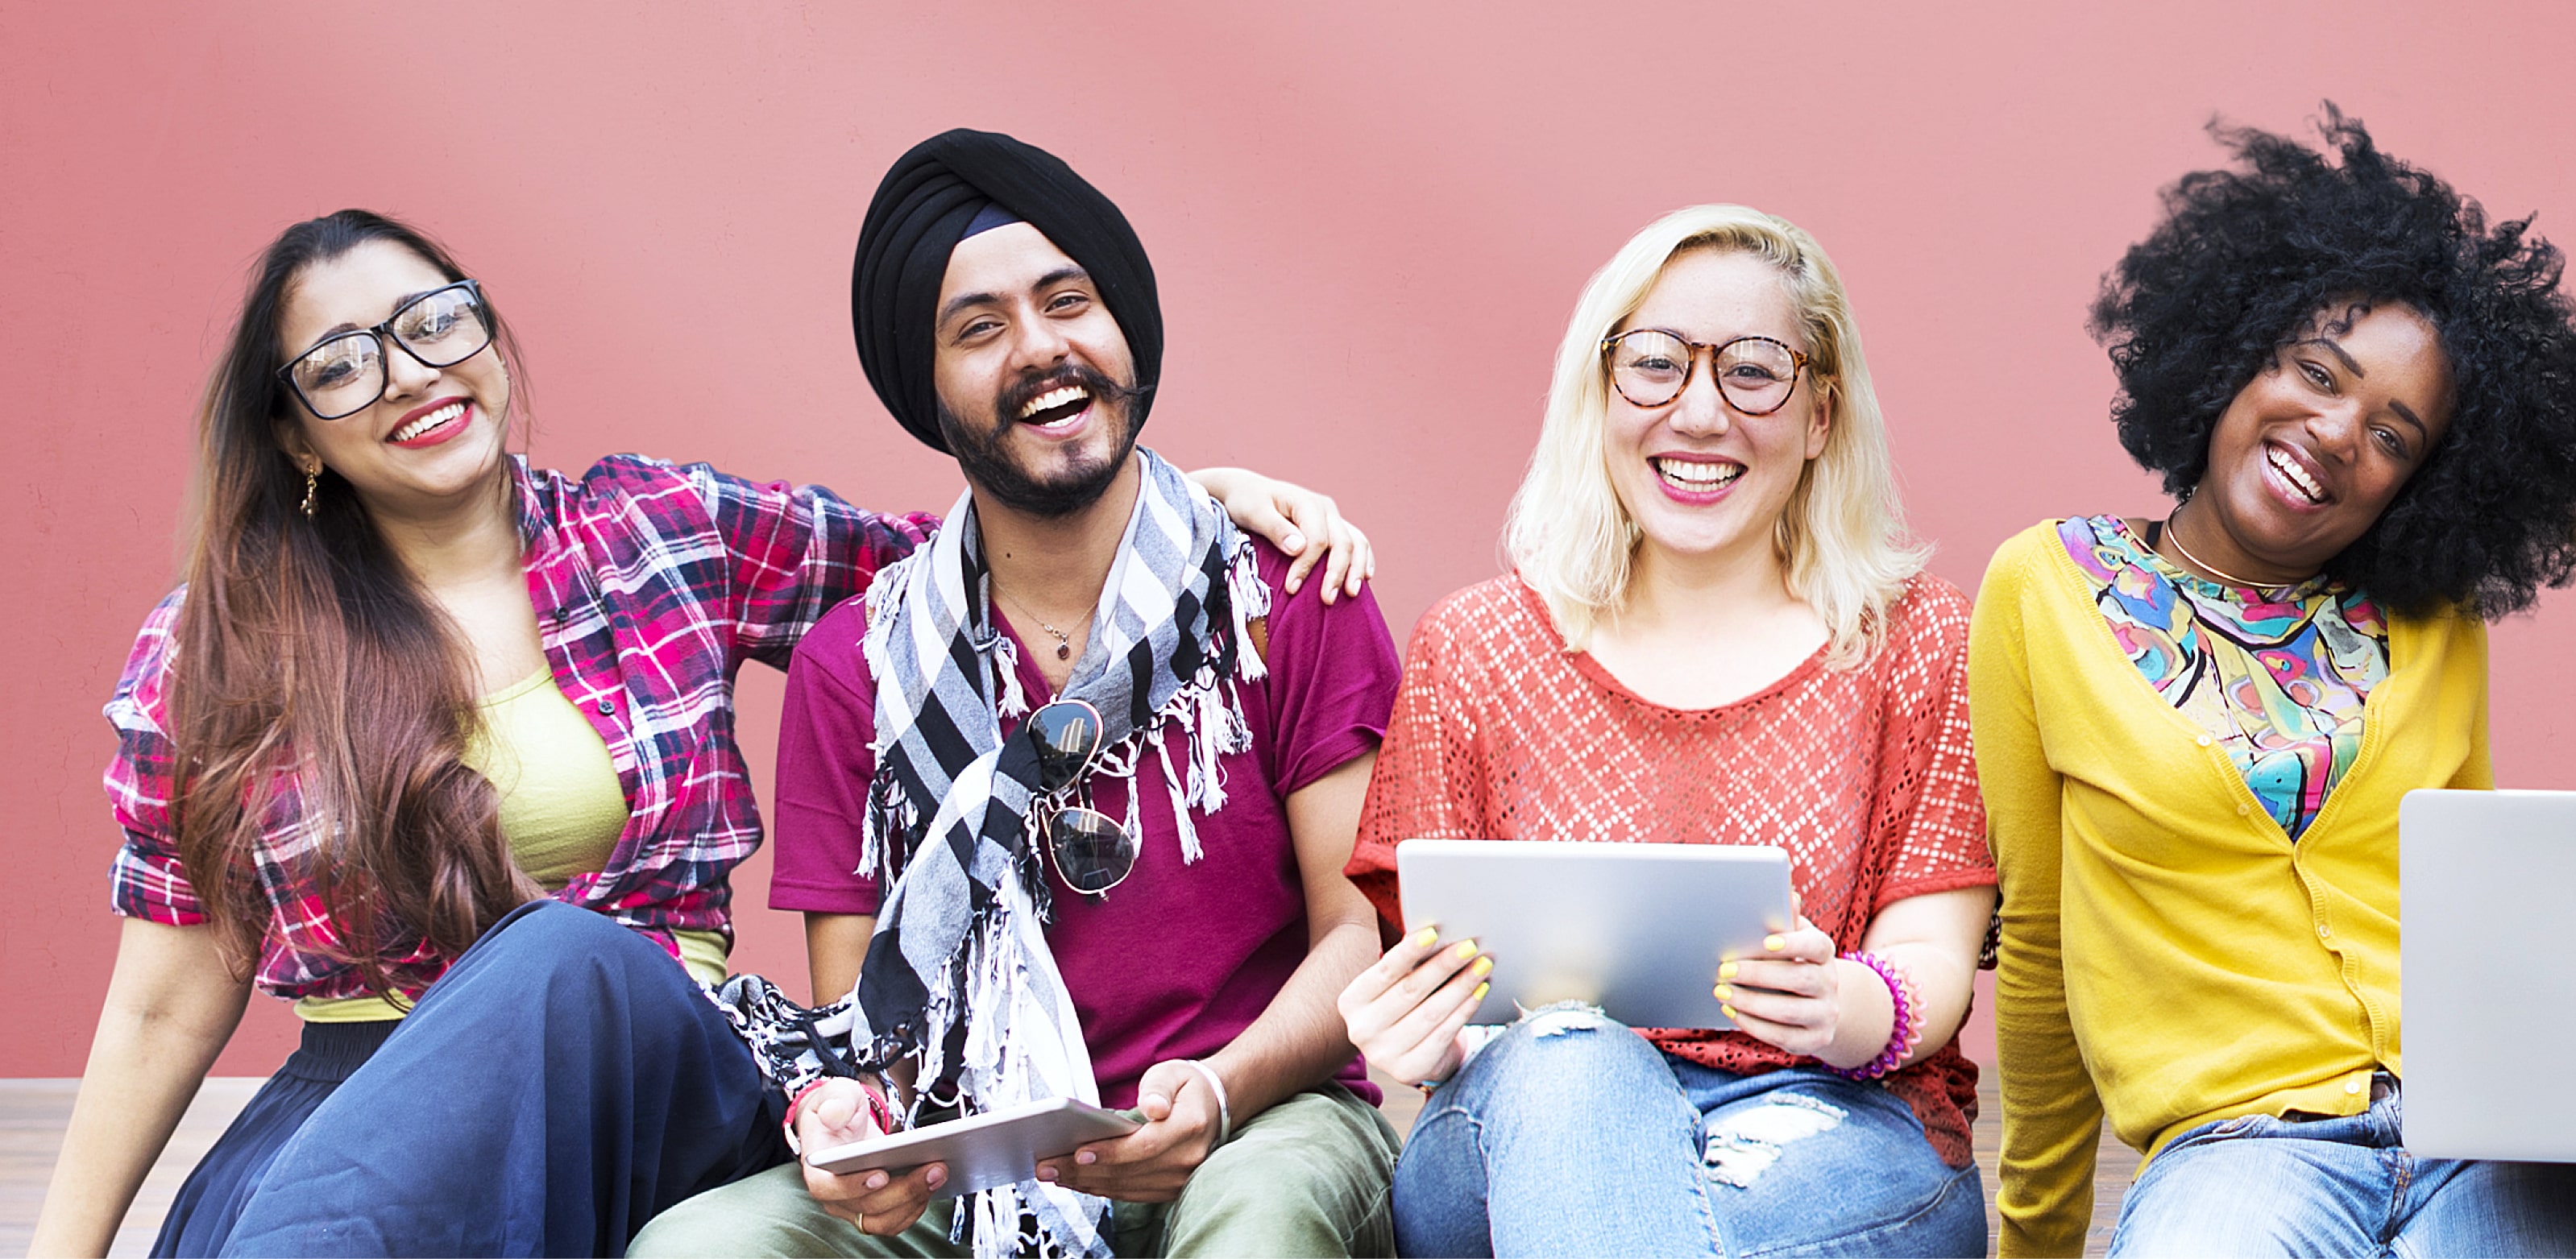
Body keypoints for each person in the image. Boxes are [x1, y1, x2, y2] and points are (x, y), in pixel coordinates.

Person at [39, 208, 1364, 1257]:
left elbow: (975, 562)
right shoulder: (213, 652)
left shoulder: (664, 536)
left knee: (563, 957)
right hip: (359, 1111)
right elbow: (163, 1004)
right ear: (294, 433)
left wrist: (1178, 507)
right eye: (341, 364)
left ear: (490, 336)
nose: (410, 376)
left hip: (653, 1056)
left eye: (435, 323)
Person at [628, 127, 1408, 1258]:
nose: (1041, 350)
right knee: (704, 1248)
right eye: (978, 329)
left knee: (1259, 1219)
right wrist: (856, 1128)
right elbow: (871, 1021)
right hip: (977, 1164)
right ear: (928, 390)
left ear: (1125, 330)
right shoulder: (860, 665)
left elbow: (1364, 929)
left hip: (1262, 1126)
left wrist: (1218, 1095)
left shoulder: (1284, 593)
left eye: (1068, 301)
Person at [1981, 108, 2576, 1258]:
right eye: (2313, 371)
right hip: (2243, 1150)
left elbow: (2480, 910)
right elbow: (2040, 941)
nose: (2338, 432)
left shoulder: (2434, 630)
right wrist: (2035, 1240)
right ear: (2232, 353)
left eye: (2394, 434)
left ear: (2422, 484)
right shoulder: (2045, 590)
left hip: (2484, 1142)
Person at [1331, 205, 1993, 1257]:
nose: (1698, 413)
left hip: (1831, 1123)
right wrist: (1416, 1030)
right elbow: (1441, 989)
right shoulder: (1475, 647)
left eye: (1753, 370)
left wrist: (1846, 1004)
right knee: (1570, 1060)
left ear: (1821, 414)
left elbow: (1932, 955)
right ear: (1599, 394)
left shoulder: (1922, 640)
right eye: (1654, 365)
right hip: (1526, 1113)